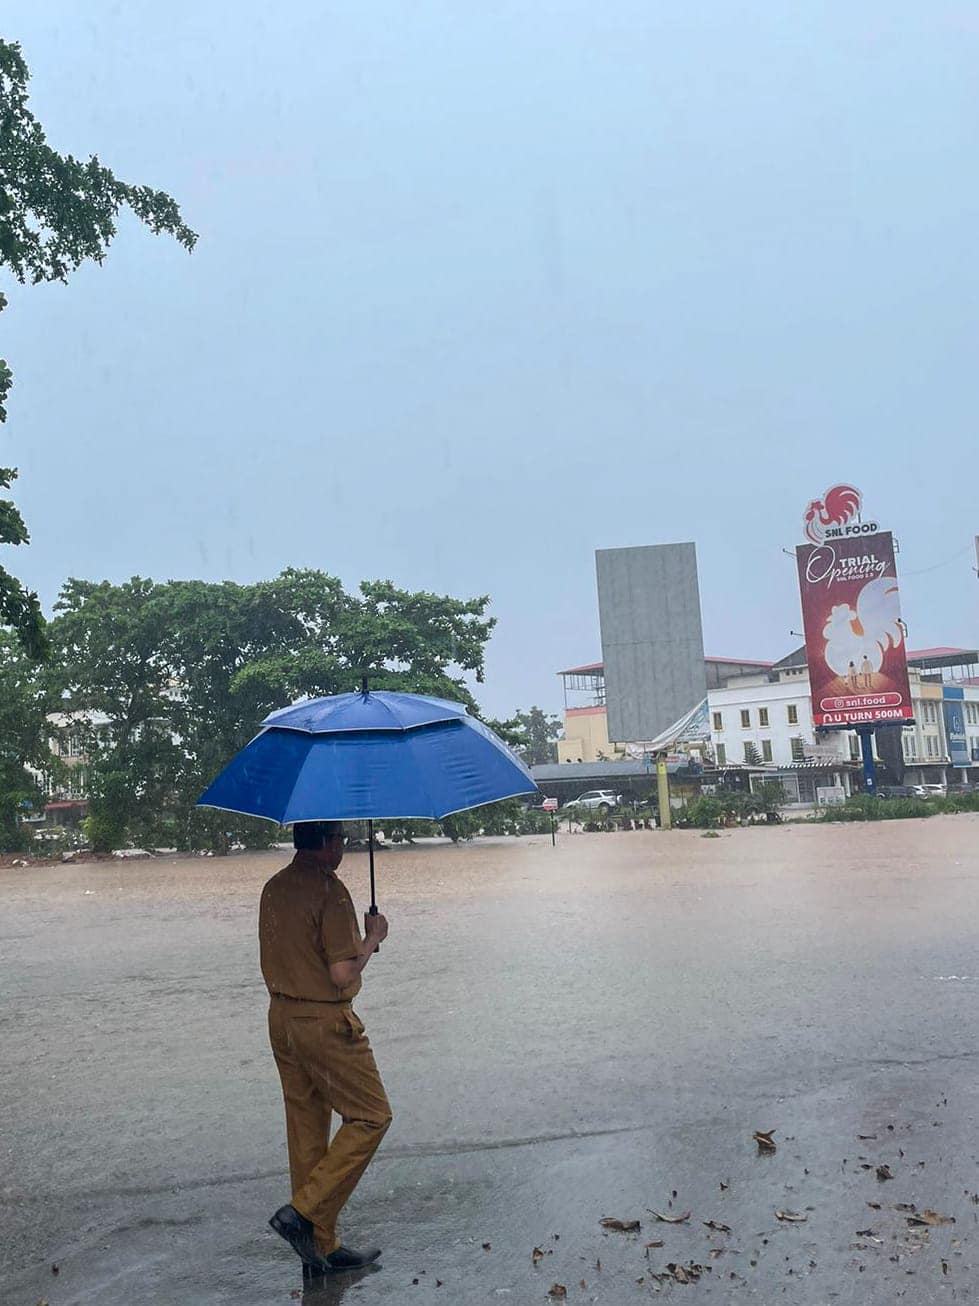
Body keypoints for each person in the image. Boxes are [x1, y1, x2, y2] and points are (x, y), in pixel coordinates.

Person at [260, 821, 392, 1276]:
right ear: (327, 844)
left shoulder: (274, 888)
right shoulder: (330, 892)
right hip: (323, 1022)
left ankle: (319, 1249)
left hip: (282, 1019)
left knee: (307, 1130)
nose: (344, 847)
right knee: (372, 1116)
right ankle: (302, 1214)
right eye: (341, 840)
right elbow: (342, 974)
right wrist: (372, 938)